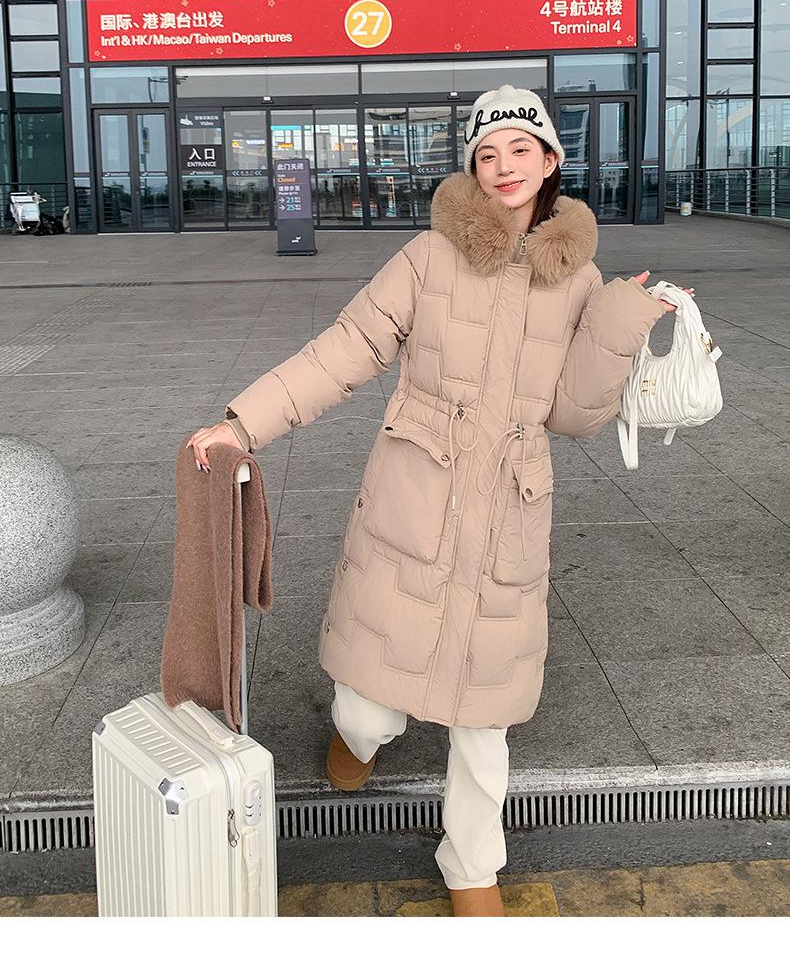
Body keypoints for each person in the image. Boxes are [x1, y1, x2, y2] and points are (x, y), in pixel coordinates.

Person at [187, 85, 686, 918]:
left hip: (508, 515)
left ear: (551, 160)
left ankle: (471, 863)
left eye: (520, 149)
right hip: (415, 504)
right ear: (472, 168)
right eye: (487, 153)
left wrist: (620, 320)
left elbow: (574, 415)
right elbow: (345, 348)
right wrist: (243, 423)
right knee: (370, 699)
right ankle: (355, 736)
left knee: (484, 723)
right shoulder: (427, 257)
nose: (503, 166)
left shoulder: (580, 279)